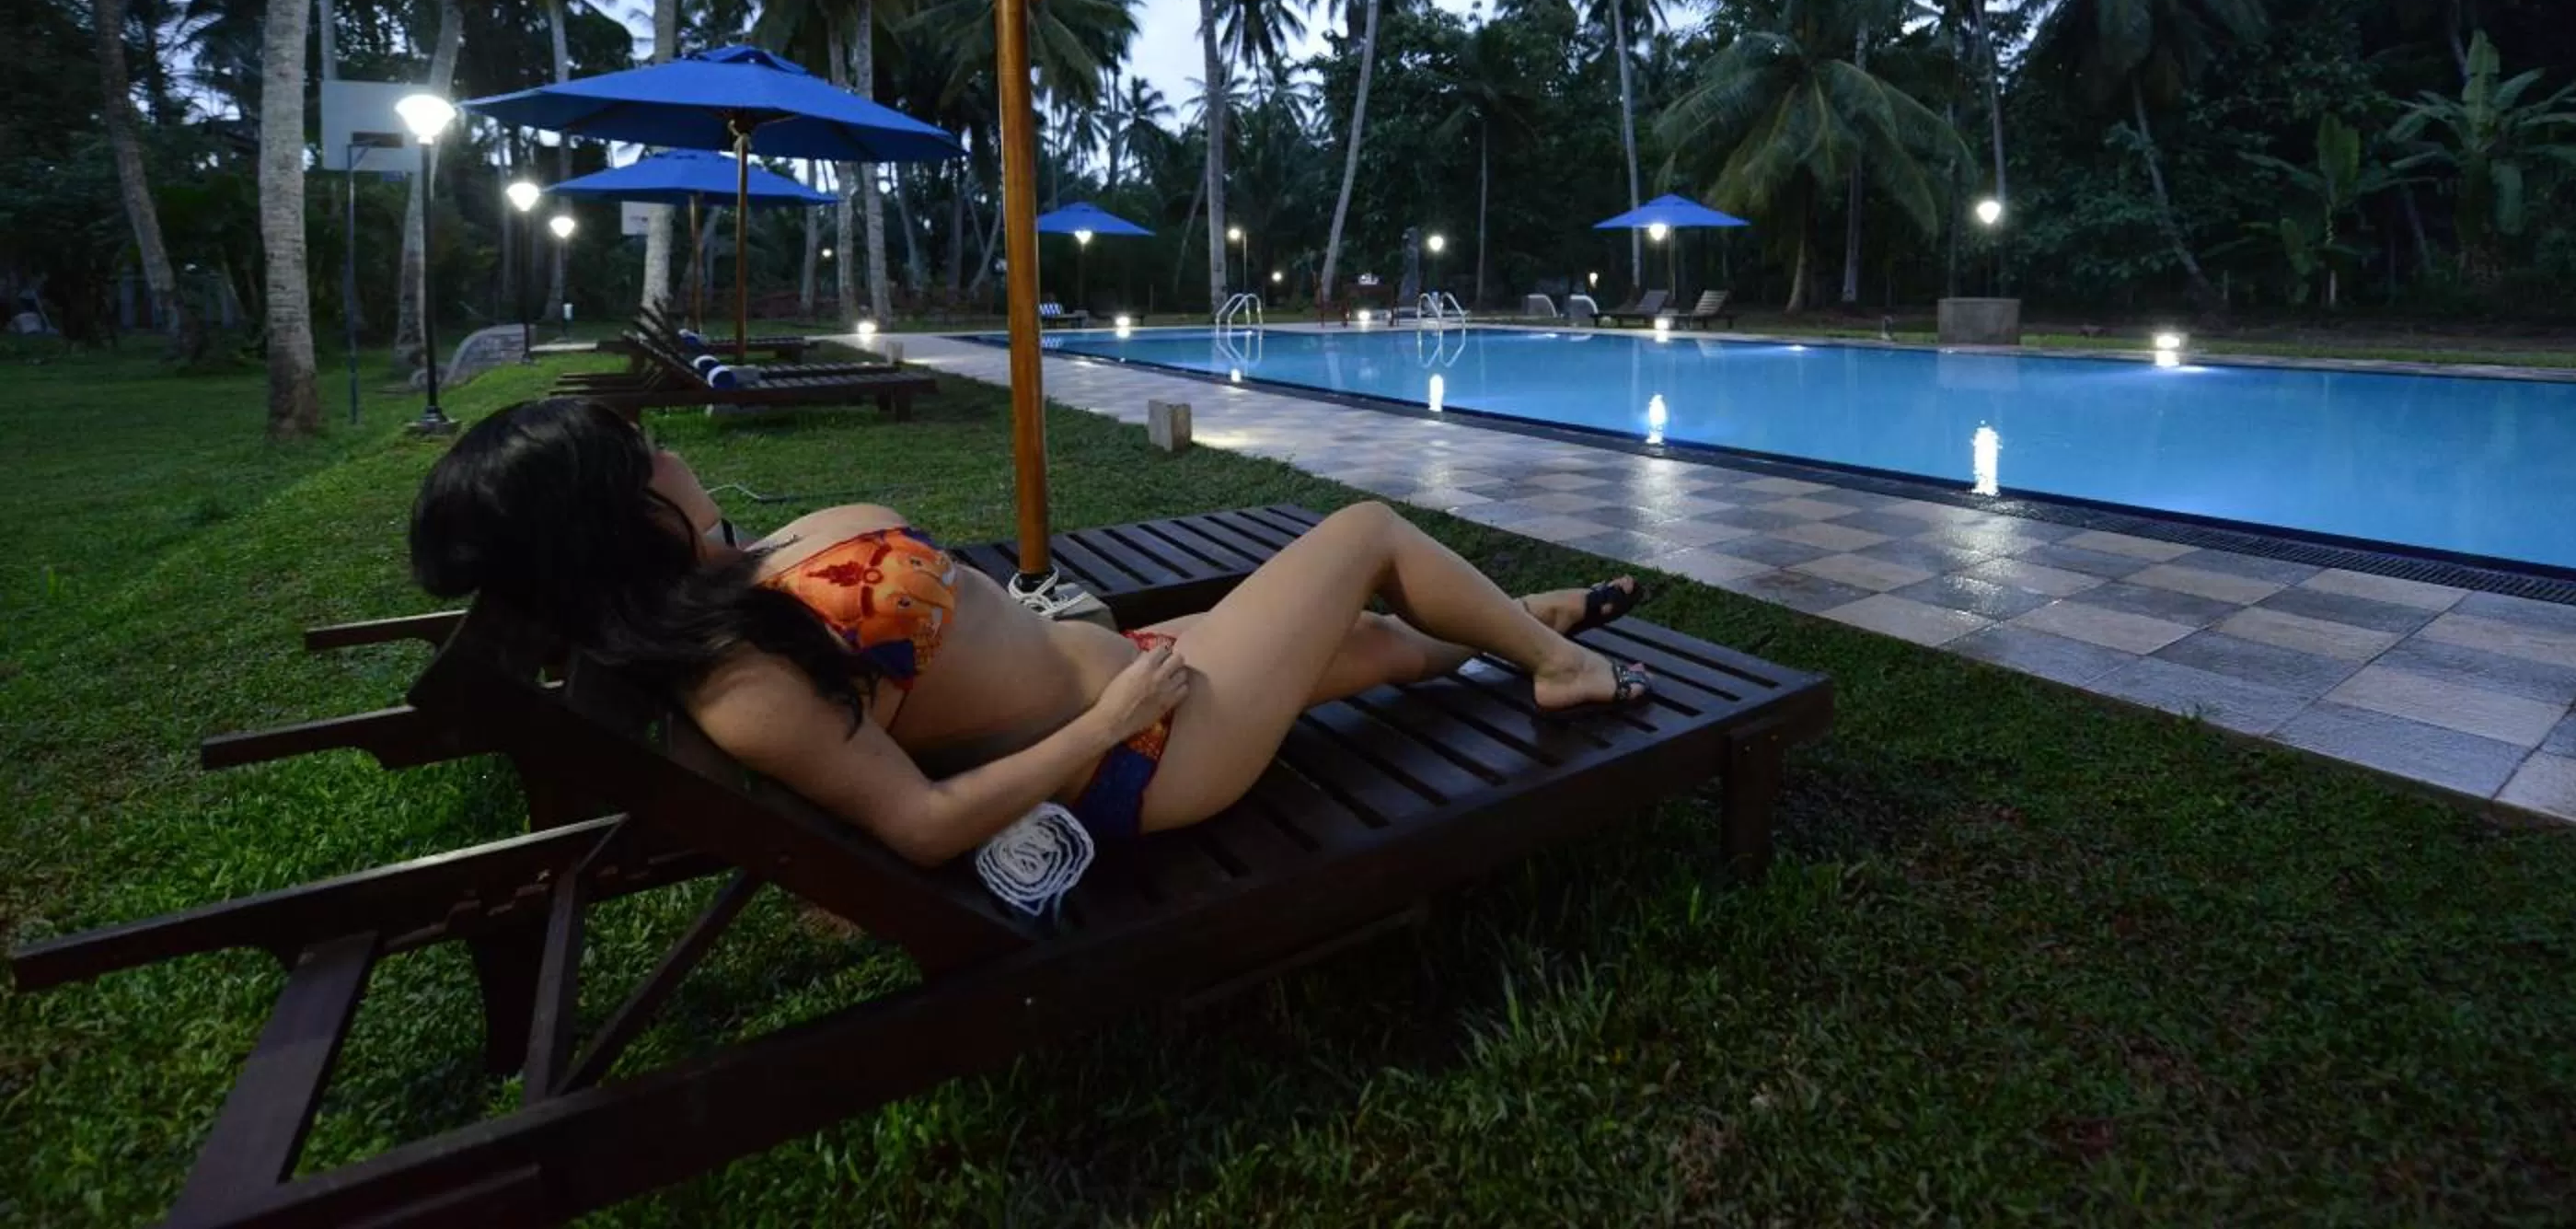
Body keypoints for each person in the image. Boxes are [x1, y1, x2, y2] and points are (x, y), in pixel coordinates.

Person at [409, 400, 1652, 867]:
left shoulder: (732, 590)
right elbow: (920, 823)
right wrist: (1110, 720)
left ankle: (1512, 628)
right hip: (1151, 750)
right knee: (1365, 531)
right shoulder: (741, 684)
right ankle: (1562, 665)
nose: (670, 450)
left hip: (1142, 683)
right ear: (622, 517)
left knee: (1370, 643)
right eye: (645, 453)